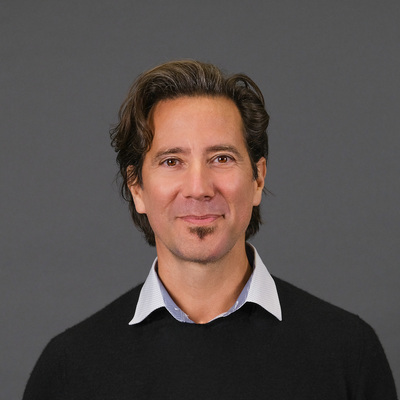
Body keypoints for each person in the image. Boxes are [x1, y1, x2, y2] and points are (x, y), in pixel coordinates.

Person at [23, 60, 397, 399]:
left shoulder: (348, 352)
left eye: (221, 158)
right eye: (172, 161)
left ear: (258, 178)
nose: (199, 188)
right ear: (137, 188)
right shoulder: (70, 368)